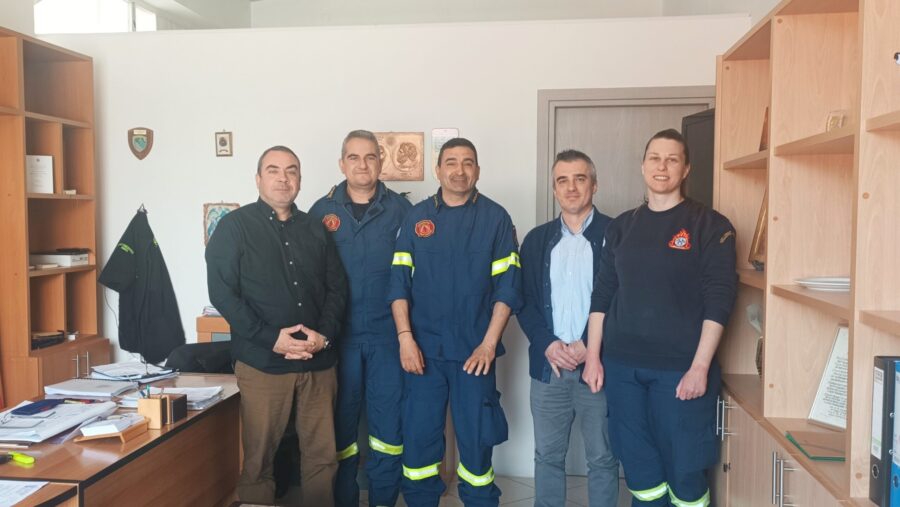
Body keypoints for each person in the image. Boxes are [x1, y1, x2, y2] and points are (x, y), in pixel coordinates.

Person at [582, 129, 737, 507]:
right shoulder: (621, 227)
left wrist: (700, 367)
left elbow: (719, 301)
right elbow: (602, 295)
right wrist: (592, 357)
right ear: (643, 165)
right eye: (655, 158)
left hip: (680, 370)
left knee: (685, 470)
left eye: (672, 159)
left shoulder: (710, 225)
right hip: (623, 369)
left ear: (686, 169)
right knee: (640, 469)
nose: (662, 166)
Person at [206, 145, 349, 506]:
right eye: (273, 170)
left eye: (291, 171)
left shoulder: (315, 228)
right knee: (259, 461)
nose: (283, 179)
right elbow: (223, 294)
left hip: (317, 364)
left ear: (299, 179)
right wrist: (271, 339)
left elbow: (337, 288)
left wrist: (323, 336)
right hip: (263, 363)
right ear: (258, 179)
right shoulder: (234, 227)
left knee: (322, 458)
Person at [387, 137, 522, 507]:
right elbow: (398, 284)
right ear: (438, 170)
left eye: (467, 163)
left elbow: (508, 289)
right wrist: (405, 339)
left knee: (477, 448)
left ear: (477, 170)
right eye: (451, 162)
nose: (459, 170)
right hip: (423, 354)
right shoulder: (416, 218)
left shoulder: (496, 218)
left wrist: (489, 345)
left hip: (474, 355)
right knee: (419, 444)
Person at [309, 130, 411, 507]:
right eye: (354, 157)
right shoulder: (320, 211)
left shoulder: (403, 211)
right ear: (342, 164)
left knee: (388, 433)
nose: (362, 164)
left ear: (380, 163)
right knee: (340, 432)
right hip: (338, 340)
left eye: (370, 157)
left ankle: (383, 501)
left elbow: (414, 275)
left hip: (388, 338)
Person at [518, 149, 619, 507]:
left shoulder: (618, 234)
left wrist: (590, 345)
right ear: (554, 189)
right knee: (547, 457)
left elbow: (625, 300)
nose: (571, 187)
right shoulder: (536, 240)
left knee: (603, 457)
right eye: (563, 180)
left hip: (600, 367)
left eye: (580, 179)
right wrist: (547, 344)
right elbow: (524, 301)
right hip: (550, 368)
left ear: (595, 184)